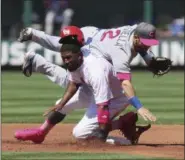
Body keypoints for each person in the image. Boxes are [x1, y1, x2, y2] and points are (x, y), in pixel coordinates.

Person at [15, 26, 153, 145]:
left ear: (79, 52)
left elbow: (103, 106)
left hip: (114, 96)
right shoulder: (76, 57)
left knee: (80, 134)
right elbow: (73, 83)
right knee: (61, 105)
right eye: (64, 58)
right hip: (92, 88)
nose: (66, 61)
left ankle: (125, 137)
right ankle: (41, 132)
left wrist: (101, 138)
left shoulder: (95, 68)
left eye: (68, 57)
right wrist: (61, 104)